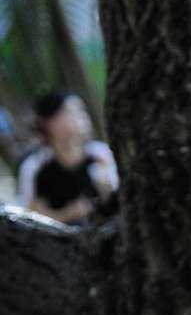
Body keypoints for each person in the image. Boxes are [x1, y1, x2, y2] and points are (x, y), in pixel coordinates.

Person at [17, 91, 118, 224]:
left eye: (81, 110)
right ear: (49, 123)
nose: (82, 117)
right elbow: (30, 216)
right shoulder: (34, 168)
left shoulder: (101, 153)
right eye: (72, 112)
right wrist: (67, 214)